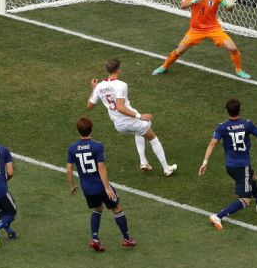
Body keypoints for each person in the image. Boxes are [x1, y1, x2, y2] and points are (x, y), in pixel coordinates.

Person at [152, 0, 249, 79]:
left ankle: (239, 70)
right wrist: (195, 1)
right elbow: (182, 5)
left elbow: (227, 7)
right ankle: (164, 66)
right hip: (195, 30)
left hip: (214, 29)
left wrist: (230, 6)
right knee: (179, 50)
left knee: (233, 48)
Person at [88, 58, 177, 176]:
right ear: (118, 70)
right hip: (129, 120)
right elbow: (120, 107)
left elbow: (89, 105)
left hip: (118, 124)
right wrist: (140, 116)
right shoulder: (121, 85)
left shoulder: (99, 86)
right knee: (152, 137)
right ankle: (166, 168)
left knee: (139, 131)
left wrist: (94, 89)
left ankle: (143, 162)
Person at [198, 98, 257, 231]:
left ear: (227, 111)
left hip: (231, 165)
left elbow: (212, 143)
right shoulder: (247, 124)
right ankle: (218, 216)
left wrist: (205, 162)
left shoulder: (222, 126)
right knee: (245, 200)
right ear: (240, 109)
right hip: (241, 167)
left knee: (253, 177)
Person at [67, 117, 136, 251]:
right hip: (100, 185)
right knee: (117, 208)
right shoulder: (97, 146)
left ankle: (95, 238)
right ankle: (127, 239)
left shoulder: (72, 148)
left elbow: (69, 169)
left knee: (97, 209)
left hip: (87, 188)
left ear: (78, 131)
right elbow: (101, 168)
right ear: (91, 129)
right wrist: (107, 188)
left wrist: (72, 185)